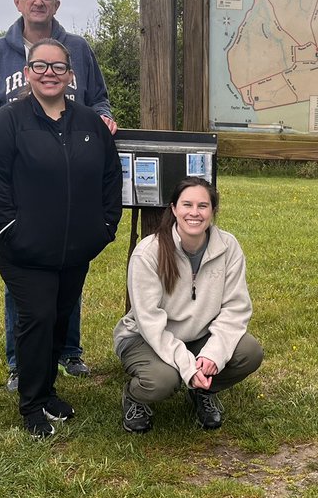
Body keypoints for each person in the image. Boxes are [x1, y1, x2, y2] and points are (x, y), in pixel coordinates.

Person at [0, 0, 116, 390]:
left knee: (69, 267)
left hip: (72, 177)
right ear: (17, 2)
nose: (38, 2)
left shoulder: (79, 50)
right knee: (26, 274)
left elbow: (99, 98)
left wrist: (103, 121)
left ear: (56, 4)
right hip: (21, 176)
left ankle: (68, 353)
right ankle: (20, 362)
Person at [0, 39, 123, 437]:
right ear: (27, 73)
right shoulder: (7, 122)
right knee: (37, 318)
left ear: (71, 76)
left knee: (59, 318)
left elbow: (111, 177)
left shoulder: (89, 123)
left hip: (75, 249)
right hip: (24, 250)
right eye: (40, 66)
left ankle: (48, 390)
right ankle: (31, 404)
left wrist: (106, 226)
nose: (49, 74)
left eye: (58, 68)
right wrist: (9, 230)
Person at [113, 177, 263, 433]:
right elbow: (150, 324)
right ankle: (135, 397)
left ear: (213, 211)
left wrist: (212, 354)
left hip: (199, 336)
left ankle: (203, 390)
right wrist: (186, 364)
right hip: (145, 338)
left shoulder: (228, 247)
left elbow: (235, 308)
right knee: (162, 380)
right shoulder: (148, 253)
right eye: (187, 204)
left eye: (203, 206)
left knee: (249, 352)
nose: (194, 213)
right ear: (173, 209)